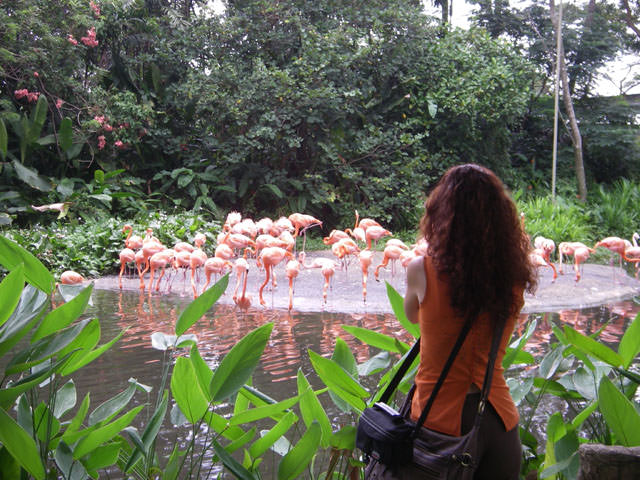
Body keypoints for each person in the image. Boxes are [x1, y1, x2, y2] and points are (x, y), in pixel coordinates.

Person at [403, 163, 537, 480]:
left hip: (441, 422)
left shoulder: (421, 268)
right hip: (499, 421)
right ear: (501, 217)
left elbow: (413, 317)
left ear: (441, 213)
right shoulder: (513, 276)